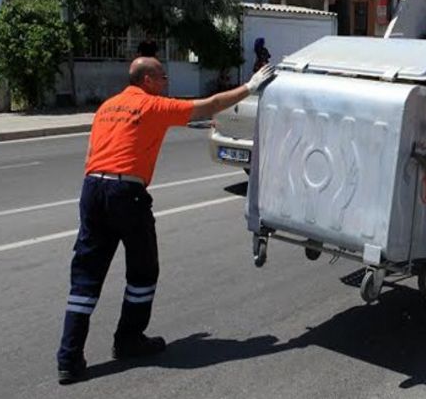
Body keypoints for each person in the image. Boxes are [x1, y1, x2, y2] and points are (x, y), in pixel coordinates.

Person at [56, 57, 275, 385]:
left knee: (86, 275)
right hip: (125, 192)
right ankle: (129, 340)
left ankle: (68, 359)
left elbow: (91, 152)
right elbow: (209, 106)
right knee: (143, 270)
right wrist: (251, 86)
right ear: (146, 80)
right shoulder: (152, 106)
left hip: (92, 188)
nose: (166, 80)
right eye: (161, 76)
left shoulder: (108, 107)